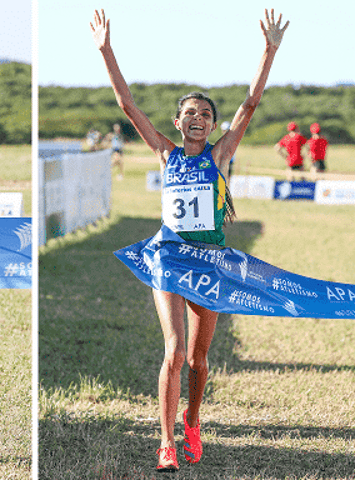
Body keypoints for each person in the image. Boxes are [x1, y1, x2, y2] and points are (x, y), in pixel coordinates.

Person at [91, 8, 288, 472]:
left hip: (211, 262)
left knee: (199, 361)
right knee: (174, 351)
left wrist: (269, 50)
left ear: (213, 125)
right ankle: (165, 443)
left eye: (204, 114)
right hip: (169, 260)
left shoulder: (220, 155)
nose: (196, 118)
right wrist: (105, 50)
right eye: (188, 113)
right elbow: (127, 105)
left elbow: (250, 105)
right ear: (177, 123)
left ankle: (193, 420)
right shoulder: (165, 153)